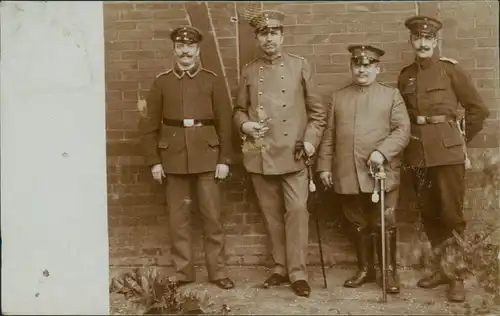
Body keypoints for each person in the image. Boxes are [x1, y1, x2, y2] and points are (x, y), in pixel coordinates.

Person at [233, 10, 326, 297]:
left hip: (294, 154)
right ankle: (279, 267)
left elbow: (317, 113)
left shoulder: (300, 66)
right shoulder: (249, 70)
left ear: (282, 36)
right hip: (260, 152)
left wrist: (310, 141)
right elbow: (238, 110)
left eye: (274, 32)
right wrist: (245, 124)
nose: (269, 38)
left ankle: (298, 272)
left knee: (297, 211)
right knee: (271, 215)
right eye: (264, 33)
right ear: (258, 38)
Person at [398, 16, 490, 302]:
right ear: (411, 41)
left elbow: (478, 110)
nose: (422, 43)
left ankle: (457, 275)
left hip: (447, 154)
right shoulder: (405, 76)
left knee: (451, 214)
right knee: (429, 214)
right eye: (417, 38)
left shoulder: (451, 71)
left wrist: (458, 141)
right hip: (417, 154)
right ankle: (442, 269)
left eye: (428, 39)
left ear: (436, 41)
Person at [139, 25, 235, 290]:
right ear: (174, 50)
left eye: (190, 47)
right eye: (180, 47)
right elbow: (149, 126)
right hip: (173, 160)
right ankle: (183, 272)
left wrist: (224, 160)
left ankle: (218, 271)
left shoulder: (212, 80)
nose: (185, 51)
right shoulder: (162, 82)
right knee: (178, 219)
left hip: (208, 156)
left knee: (212, 217)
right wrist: (154, 161)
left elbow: (225, 124)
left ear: (197, 50)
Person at [317, 45, 411, 294]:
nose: (362, 69)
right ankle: (366, 269)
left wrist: (383, 152)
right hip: (347, 171)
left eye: (367, 65)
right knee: (356, 222)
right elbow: (329, 136)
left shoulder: (391, 96)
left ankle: (389, 273)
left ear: (377, 68)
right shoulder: (339, 97)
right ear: (351, 67)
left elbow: (403, 131)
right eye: (357, 65)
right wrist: (324, 166)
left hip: (381, 172)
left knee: (384, 222)